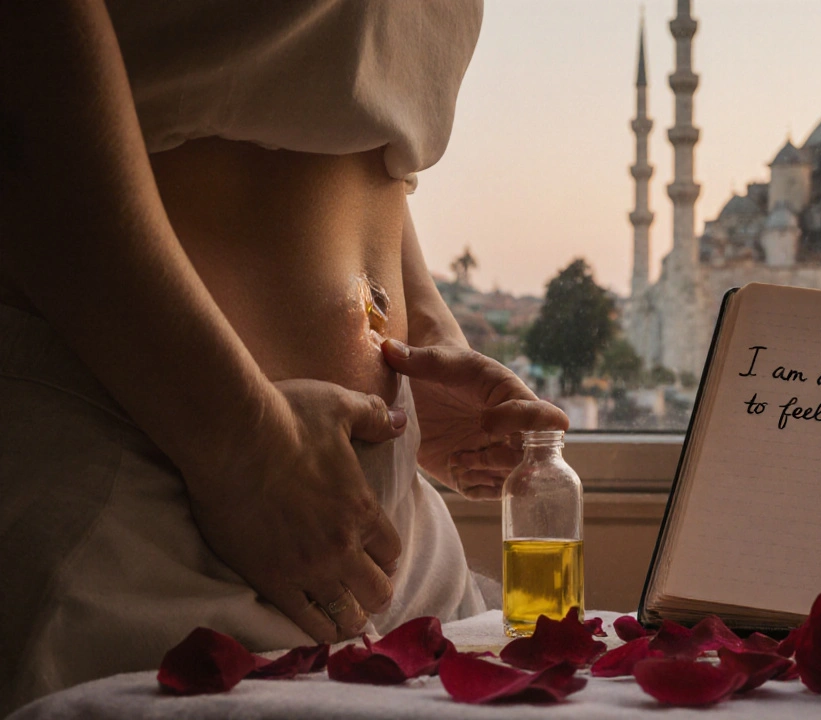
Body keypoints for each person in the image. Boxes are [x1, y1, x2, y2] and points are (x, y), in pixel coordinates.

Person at [0, 0, 567, 711]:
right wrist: (240, 442)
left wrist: (421, 337)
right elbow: (26, 94)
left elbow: (352, 120)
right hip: (148, 469)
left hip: (378, 531)